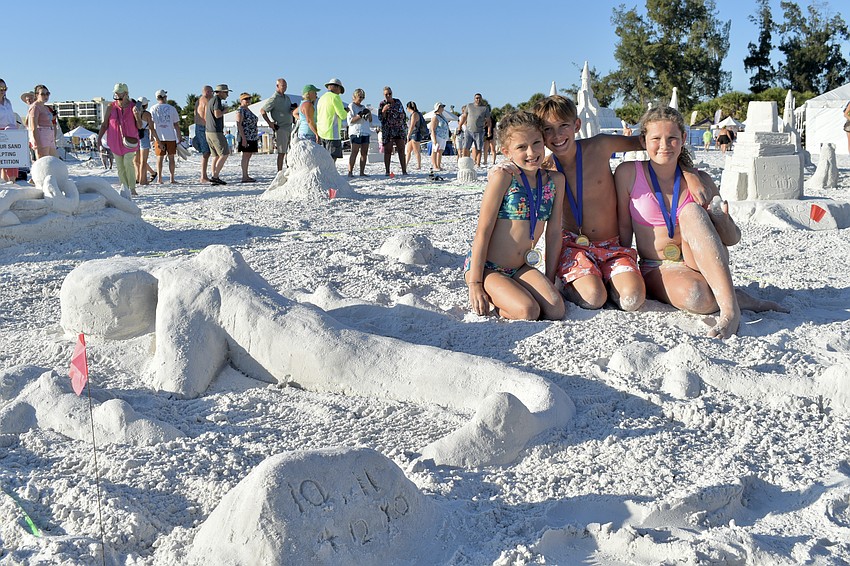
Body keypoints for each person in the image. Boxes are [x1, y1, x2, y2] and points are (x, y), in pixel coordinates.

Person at [615, 106, 783, 339]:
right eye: (656, 138)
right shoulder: (627, 173)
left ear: (683, 139)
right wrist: (624, 270)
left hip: (699, 257)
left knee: (692, 212)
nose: (664, 145)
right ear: (643, 141)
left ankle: (730, 311)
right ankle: (738, 297)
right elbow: (623, 228)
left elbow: (733, 238)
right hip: (658, 264)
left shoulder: (701, 181)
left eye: (672, 138)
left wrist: (721, 219)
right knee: (697, 297)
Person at [465, 110, 566, 321]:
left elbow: (554, 232)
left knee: (556, 309)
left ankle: (512, 291)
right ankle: (495, 295)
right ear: (506, 151)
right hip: (488, 267)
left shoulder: (555, 181)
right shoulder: (503, 177)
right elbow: (483, 231)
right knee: (529, 311)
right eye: (521, 147)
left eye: (537, 143)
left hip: (521, 266)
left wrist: (548, 277)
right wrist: (474, 284)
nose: (532, 152)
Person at [96, 82, 141, 195]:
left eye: (118, 92)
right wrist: (99, 139)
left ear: (125, 93)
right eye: (115, 92)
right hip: (115, 141)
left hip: (130, 141)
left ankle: (132, 188)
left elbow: (140, 126)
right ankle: (124, 188)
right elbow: (104, 124)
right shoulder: (111, 107)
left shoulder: (133, 106)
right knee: (120, 167)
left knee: (127, 162)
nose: (116, 94)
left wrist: (137, 116)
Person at [260, 78, 295, 171]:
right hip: (281, 128)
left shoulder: (287, 98)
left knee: (291, 151)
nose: (284, 88)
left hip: (290, 126)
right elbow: (263, 110)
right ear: (277, 86)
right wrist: (270, 123)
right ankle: (279, 172)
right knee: (281, 152)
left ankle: (289, 170)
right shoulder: (274, 98)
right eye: (283, 86)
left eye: (286, 86)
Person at [149, 89, 183, 184]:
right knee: (171, 157)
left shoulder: (152, 109)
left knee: (159, 158)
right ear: (164, 97)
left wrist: (151, 136)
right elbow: (176, 124)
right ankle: (172, 178)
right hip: (171, 136)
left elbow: (151, 124)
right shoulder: (172, 108)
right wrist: (179, 136)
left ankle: (159, 178)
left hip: (158, 137)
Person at [316, 78, 348, 163]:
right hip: (332, 133)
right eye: (340, 90)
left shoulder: (321, 98)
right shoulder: (335, 97)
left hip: (322, 132)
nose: (339, 93)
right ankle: (330, 175)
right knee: (332, 158)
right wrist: (346, 111)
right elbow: (342, 115)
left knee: (323, 158)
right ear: (337, 87)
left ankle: (325, 175)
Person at [378, 86, 407, 176]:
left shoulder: (398, 102)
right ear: (384, 95)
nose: (388, 95)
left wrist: (403, 125)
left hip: (399, 129)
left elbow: (403, 114)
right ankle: (387, 171)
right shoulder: (382, 104)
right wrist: (384, 111)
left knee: (401, 150)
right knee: (388, 151)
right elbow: (380, 118)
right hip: (388, 130)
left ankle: (404, 171)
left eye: (390, 93)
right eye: (386, 94)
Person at [205, 84, 231, 185]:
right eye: (226, 92)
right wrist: (225, 110)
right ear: (220, 92)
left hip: (209, 131)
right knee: (224, 153)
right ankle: (215, 176)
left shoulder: (211, 100)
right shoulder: (217, 100)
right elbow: (217, 114)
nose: (227, 95)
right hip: (215, 131)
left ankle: (214, 176)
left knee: (215, 156)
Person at [456, 93, 491, 167]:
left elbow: (488, 121)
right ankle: (465, 162)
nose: (478, 99)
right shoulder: (469, 106)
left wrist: (489, 131)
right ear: (474, 99)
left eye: (479, 98)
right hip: (469, 131)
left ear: (481, 99)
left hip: (479, 131)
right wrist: (459, 126)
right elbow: (464, 117)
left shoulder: (485, 108)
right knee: (465, 148)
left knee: (478, 148)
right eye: (476, 98)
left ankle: (477, 163)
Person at [347, 88, 372, 177]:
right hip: (356, 132)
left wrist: (368, 113)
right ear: (354, 96)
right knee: (354, 152)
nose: (361, 98)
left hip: (365, 131)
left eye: (362, 97)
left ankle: (362, 172)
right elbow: (350, 121)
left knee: (364, 153)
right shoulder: (351, 106)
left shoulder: (363, 107)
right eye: (359, 96)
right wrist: (360, 115)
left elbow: (370, 120)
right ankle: (350, 172)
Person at [28, 85, 57, 160]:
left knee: (54, 161)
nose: (46, 96)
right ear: (37, 95)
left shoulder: (46, 108)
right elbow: (33, 127)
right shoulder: (35, 107)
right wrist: (38, 144)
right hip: (42, 135)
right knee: (44, 162)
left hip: (49, 135)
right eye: (43, 94)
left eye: (47, 94)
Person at [236, 93, 259, 183]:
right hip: (246, 135)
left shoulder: (248, 109)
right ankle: (244, 176)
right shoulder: (240, 110)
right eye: (246, 99)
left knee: (248, 155)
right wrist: (243, 138)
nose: (248, 100)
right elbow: (239, 124)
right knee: (245, 156)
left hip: (252, 135)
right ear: (241, 100)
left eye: (249, 98)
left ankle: (246, 175)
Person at [0, 78, 20, 182]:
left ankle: (11, 183)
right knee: (1, 161)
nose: (2, 90)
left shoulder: (8, 102)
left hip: (10, 133)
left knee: (11, 161)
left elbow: (12, 118)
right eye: (0, 88)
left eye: (4, 88)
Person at [135, 96, 156, 185]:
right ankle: (143, 180)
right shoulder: (147, 114)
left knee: (136, 160)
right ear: (146, 105)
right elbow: (152, 128)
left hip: (135, 136)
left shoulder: (135, 112)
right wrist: (157, 139)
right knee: (143, 161)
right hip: (144, 135)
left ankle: (139, 178)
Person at [194, 85, 213, 183]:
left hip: (200, 127)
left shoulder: (199, 101)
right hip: (203, 127)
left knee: (207, 153)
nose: (211, 94)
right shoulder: (205, 101)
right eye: (210, 92)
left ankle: (205, 175)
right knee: (206, 153)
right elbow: (206, 116)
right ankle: (203, 175)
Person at [430, 102, 451, 172]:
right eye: (442, 107)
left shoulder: (442, 116)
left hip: (443, 137)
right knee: (435, 151)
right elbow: (432, 129)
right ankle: (435, 165)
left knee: (440, 151)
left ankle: (438, 165)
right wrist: (434, 140)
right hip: (437, 136)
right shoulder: (435, 117)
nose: (443, 108)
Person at [405, 101, 425, 171]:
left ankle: (419, 165)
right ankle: (405, 164)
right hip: (413, 134)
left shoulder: (415, 114)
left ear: (408, 107)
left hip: (415, 134)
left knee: (416, 151)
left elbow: (412, 126)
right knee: (408, 150)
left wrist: (408, 135)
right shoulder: (415, 114)